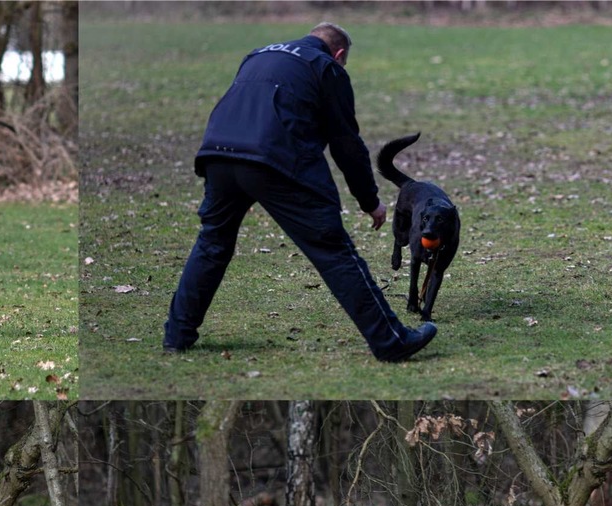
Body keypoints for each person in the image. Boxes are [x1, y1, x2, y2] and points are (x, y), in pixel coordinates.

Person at [162, 23, 436, 362]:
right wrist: (370, 201)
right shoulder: (326, 67)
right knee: (333, 251)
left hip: (218, 153)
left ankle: (177, 335)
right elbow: (346, 143)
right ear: (339, 54)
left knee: (212, 243)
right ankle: (392, 341)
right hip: (276, 158)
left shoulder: (258, 54)